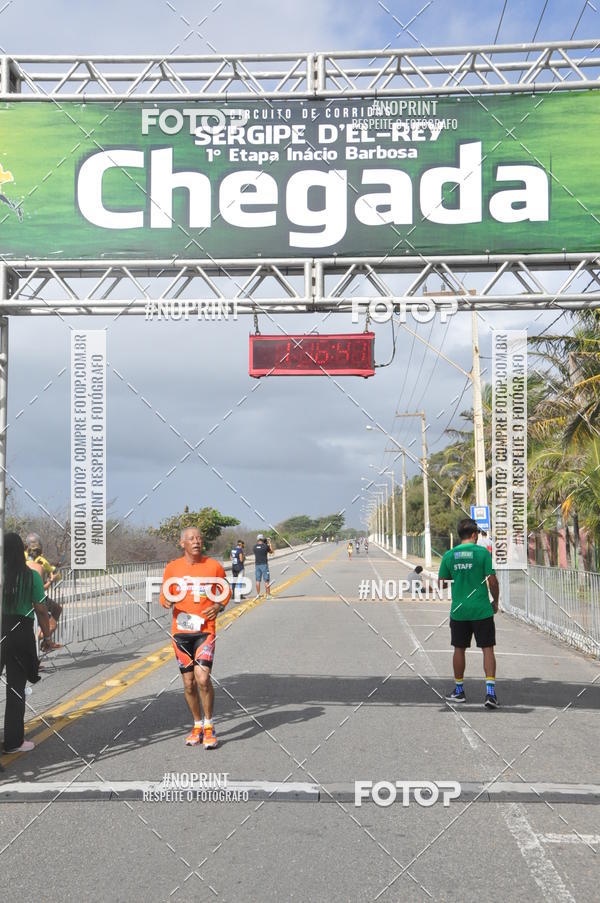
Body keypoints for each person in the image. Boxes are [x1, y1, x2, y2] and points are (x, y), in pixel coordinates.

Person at [160, 527, 231, 749]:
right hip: (181, 632)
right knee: (189, 684)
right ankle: (197, 724)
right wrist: (167, 602)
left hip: (205, 630)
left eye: (199, 537)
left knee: (202, 678)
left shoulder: (214, 566)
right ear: (182, 543)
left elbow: (225, 589)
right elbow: (164, 595)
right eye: (191, 538)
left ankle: (209, 726)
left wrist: (219, 605)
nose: (197, 541)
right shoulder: (172, 567)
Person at [438, 518, 500, 708]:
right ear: (474, 535)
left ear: (460, 535)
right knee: (487, 649)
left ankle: (459, 690)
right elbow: (492, 580)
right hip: (482, 610)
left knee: (459, 649)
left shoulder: (449, 555)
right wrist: (495, 601)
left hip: (459, 611)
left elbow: (441, 583)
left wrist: (456, 575)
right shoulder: (482, 553)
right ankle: (490, 694)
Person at [1, 533, 53, 753]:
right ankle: (14, 742)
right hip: (20, 632)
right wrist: (47, 636)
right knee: (16, 687)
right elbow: (41, 609)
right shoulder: (31, 576)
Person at [25, 533, 62, 651]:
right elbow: (40, 588)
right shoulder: (40, 563)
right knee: (46, 621)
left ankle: (43, 641)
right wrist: (51, 579)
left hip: (28, 597)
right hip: (36, 598)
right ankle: (42, 640)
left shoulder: (23, 557)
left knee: (56, 609)